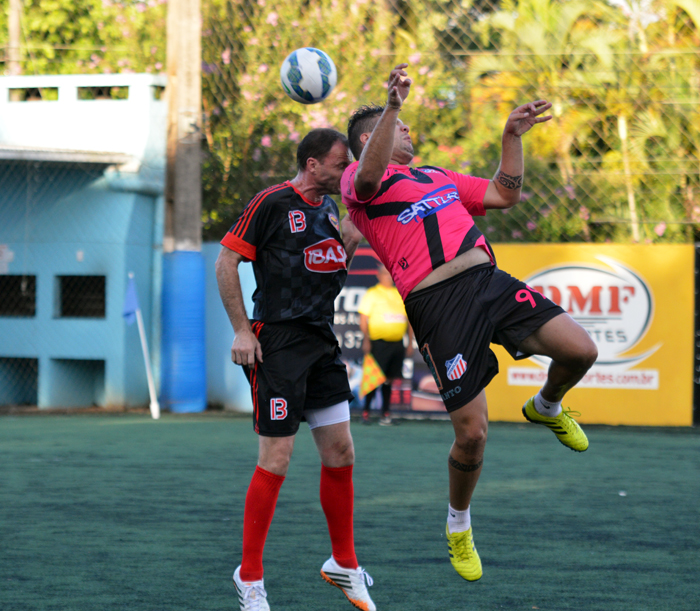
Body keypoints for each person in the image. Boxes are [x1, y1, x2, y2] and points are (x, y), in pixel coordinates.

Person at [341, 65, 598, 582]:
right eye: (400, 125)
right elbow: (367, 177)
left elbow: (505, 194)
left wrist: (510, 136)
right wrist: (391, 105)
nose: (410, 130)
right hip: (439, 305)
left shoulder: (436, 176)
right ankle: (459, 525)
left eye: (406, 122)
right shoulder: (359, 183)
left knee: (581, 351)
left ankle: (545, 406)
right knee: (473, 435)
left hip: (489, 282)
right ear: (373, 138)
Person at [216, 128, 376, 611]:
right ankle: (249, 579)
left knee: (342, 452)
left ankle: (344, 563)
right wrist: (242, 331)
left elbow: (326, 268)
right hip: (278, 342)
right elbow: (226, 263)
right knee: (277, 458)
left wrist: (348, 241)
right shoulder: (271, 202)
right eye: (338, 163)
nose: (345, 170)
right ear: (312, 164)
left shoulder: (332, 211)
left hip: (321, 340)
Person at [358, 262, 413, 425]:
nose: (388, 277)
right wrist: (366, 340)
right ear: (378, 276)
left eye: (390, 274)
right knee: (374, 378)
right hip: (378, 343)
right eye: (385, 273)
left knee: (390, 379)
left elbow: (409, 321)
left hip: (396, 344)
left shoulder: (399, 294)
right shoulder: (372, 293)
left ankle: (385, 414)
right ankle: (366, 412)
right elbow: (363, 319)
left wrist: (410, 342)